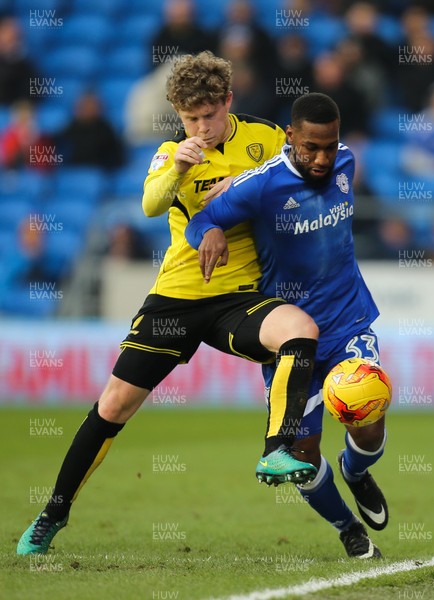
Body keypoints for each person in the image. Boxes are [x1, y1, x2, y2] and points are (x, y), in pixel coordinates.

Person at [17, 51, 320, 556]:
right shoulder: (171, 152)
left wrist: (244, 190)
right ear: (178, 115)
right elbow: (151, 204)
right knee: (113, 406)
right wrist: (178, 166)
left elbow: (302, 180)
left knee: (300, 329)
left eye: (209, 115)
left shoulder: (265, 138)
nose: (201, 127)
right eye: (190, 119)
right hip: (176, 301)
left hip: (238, 299)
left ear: (228, 100)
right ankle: (53, 513)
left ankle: (275, 451)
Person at [185, 92, 389, 559]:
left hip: (348, 320)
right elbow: (202, 219)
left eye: (330, 146)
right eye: (310, 147)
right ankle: (347, 528)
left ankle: (356, 472)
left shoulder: (347, 163)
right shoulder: (261, 185)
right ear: (290, 137)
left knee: (369, 426)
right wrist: (211, 231)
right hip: (291, 336)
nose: (322, 158)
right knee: (300, 453)